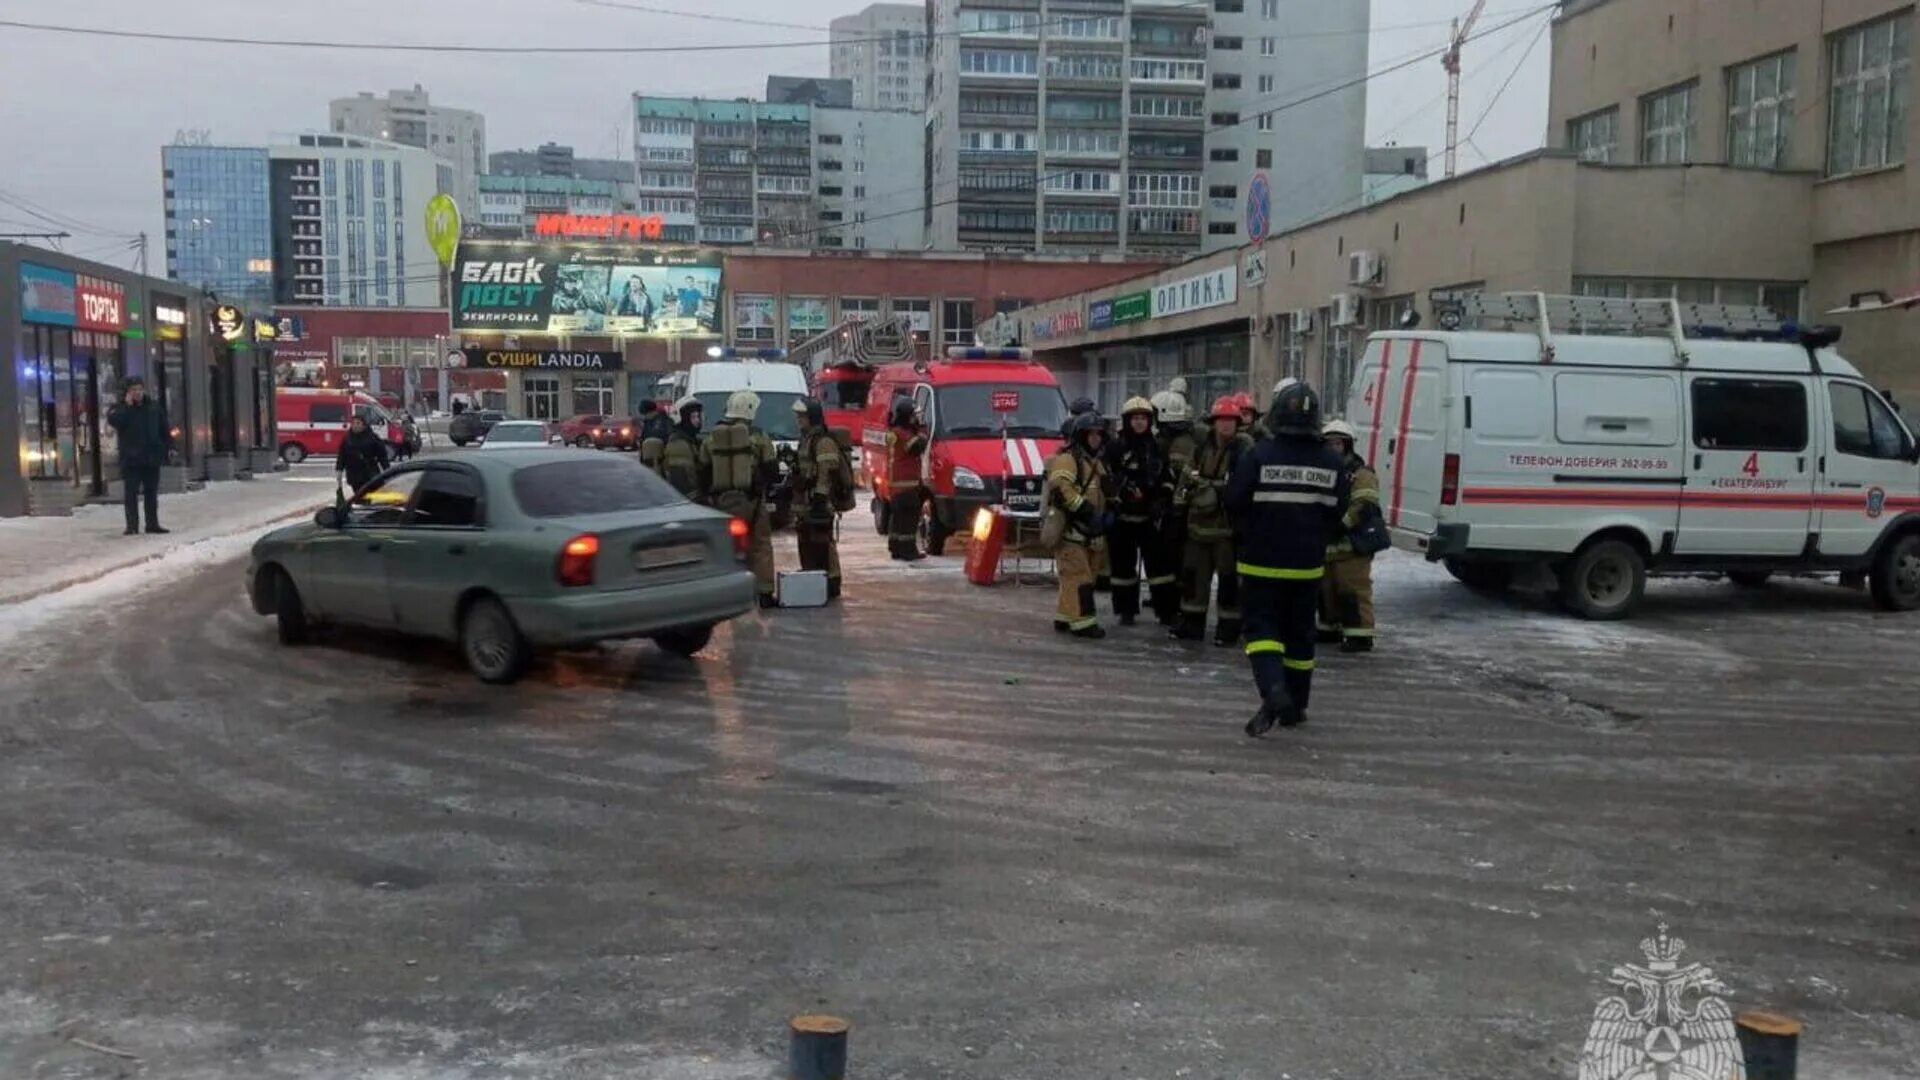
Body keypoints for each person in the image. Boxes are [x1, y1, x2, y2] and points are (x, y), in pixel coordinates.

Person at [1228, 382, 1350, 736]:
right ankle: (1297, 705)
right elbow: (1338, 509)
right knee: (1300, 635)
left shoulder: (1260, 453)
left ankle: (1274, 690)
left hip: (1260, 561)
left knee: (1262, 630)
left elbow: (1234, 500)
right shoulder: (1331, 460)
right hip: (1307, 565)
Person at [1172, 396, 1253, 645]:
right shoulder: (1202, 446)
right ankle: (1191, 624)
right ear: (1214, 422)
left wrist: (1210, 486)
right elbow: (1187, 478)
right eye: (1221, 420)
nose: (1225, 425)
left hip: (1227, 531)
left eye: (1230, 421)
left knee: (1229, 582)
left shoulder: (1245, 449)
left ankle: (1228, 629)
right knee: (1194, 577)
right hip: (1198, 526)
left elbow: (1244, 487)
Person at [702, 389, 779, 608]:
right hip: (753, 501)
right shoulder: (758, 437)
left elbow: (704, 471)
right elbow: (771, 470)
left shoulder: (711, 438)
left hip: (721, 503)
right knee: (761, 544)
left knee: (728, 547)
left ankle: (728, 594)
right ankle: (764, 593)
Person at [1104, 396, 1172, 626]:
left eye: (1144, 418)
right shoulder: (1115, 447)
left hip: (1150, 519)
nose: (1140, 423)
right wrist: (1116, 496)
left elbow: (1166, 478)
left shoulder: (1157, 446)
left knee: (1160, 566)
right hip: (1123, 518)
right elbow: (1106, 480)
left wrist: (1161, 501)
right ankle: (1126, 610)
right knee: (1123, 567)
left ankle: (1165, 610)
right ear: (1127, 420)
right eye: (1135, 418)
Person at [1318, 420, 1381, 653]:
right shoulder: (1322, 471)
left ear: (1348, 445)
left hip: (1352, 544)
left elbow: (1365, 504)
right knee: (1326, 588)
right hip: (1327, 545)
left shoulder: (1361, 473)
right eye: (1329, 443)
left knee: (1352, 589)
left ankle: (1360, 635)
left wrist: (1341, 524)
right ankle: (1328, 627)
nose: (1333, 447)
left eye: (1338, 443)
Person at [1047, 411, 1110, 639]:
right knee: (1079, 578)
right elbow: (1062, 491)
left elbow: (1102, 491)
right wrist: (1087, 512)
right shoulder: (1068, 460)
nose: (1095, 438)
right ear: (1079, 436)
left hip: (1087, 532)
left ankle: (1065, 615)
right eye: (1090, 434)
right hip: (1072, 532)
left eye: (1098, 434)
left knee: (1081, 576)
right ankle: (1084, 623)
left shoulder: (1093, 461)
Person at [791, 397, 847, 600]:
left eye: (802, 417)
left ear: (812, 418)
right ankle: (811, 576)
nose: (799, 420)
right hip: (805, 502)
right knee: (806, 541)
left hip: (818, 502)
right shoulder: (806, 439)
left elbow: (827, 471)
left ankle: (832, 581)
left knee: (823, 543)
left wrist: (821, 497)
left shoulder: (823, 441)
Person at [1148, 388, 1196, 624]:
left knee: (1172, 563)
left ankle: (1171, 607)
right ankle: (1170, 605)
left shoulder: (1177, 445)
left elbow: (1179, 480)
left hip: (1177, 514)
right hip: (1176, 513)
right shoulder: (1180, 440)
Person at [106, 377, 172, 536]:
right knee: (131, 494)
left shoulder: (154, 407)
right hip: (131, 459)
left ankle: (152, 523)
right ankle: (132, 526)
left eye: (139, 389)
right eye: (133, 390)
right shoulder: (120, 408)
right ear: (127, 393)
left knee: (151, 493)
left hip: (151, 457)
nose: (137, 393)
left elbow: (164, 429)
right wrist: (126, 407)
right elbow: (114, 421)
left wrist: (168, 447)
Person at [883, 395, 928, 562]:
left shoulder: (893, 432)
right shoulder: (903, 434)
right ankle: (908, 550)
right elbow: (916, 447)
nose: (915, 418)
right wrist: (922, 432)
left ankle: (895, 547)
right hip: (907, 486)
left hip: (896, 486)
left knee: (898, 520)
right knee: (909, 520)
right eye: (913, 415)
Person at [658, 397, 706, 500]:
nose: (697, 420)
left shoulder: (691, 441)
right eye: (693, 417)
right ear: (682, 419)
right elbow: (683, 482)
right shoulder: (678, 444)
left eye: (698, 416)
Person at [337, 414, 391, 494]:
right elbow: (342, 455)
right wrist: (339, 470)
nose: (355, 426)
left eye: (358, 423)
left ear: (364, 425)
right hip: (354, 475)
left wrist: (387, 471)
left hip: (369, 474)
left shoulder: (372, 437)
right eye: (353, 423)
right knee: (359, 496)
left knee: (371, 496)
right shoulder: (347, 438)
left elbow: (382, 456)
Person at [636, 399, 674, 471]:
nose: (644, 417)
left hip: (659, 460)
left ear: (651, 412)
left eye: (645, 414)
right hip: (649, 460)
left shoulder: (662, 422)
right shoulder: (649, 422)